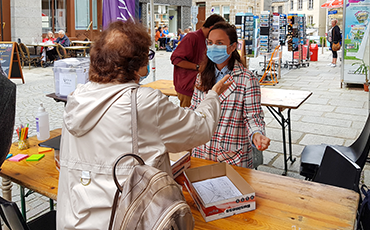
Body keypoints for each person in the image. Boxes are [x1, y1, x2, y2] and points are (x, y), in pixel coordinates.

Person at [57, 20, 232, 230]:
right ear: (136, 63)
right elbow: (199, 128)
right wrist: (212, 96)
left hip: (75, 219)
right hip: (129, 220)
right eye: (147, 56)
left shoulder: (77, 98)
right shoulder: (144, 102)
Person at [189, 22, 270, 168]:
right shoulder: (202, 76)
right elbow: (194, 109)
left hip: (232, 155)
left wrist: (257, 134)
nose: (213, 47)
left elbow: (253, 115)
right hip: (202, 150)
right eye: (210, 43)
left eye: (219, 43)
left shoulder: (247, 79)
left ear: (233, 47)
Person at [171, 14, 225, 107]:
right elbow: (175, 59)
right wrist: (197, 67)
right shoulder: (192, 37)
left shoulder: (207, 40)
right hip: (188, 88)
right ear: (212, 28)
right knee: (190, 118)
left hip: (200, 88)